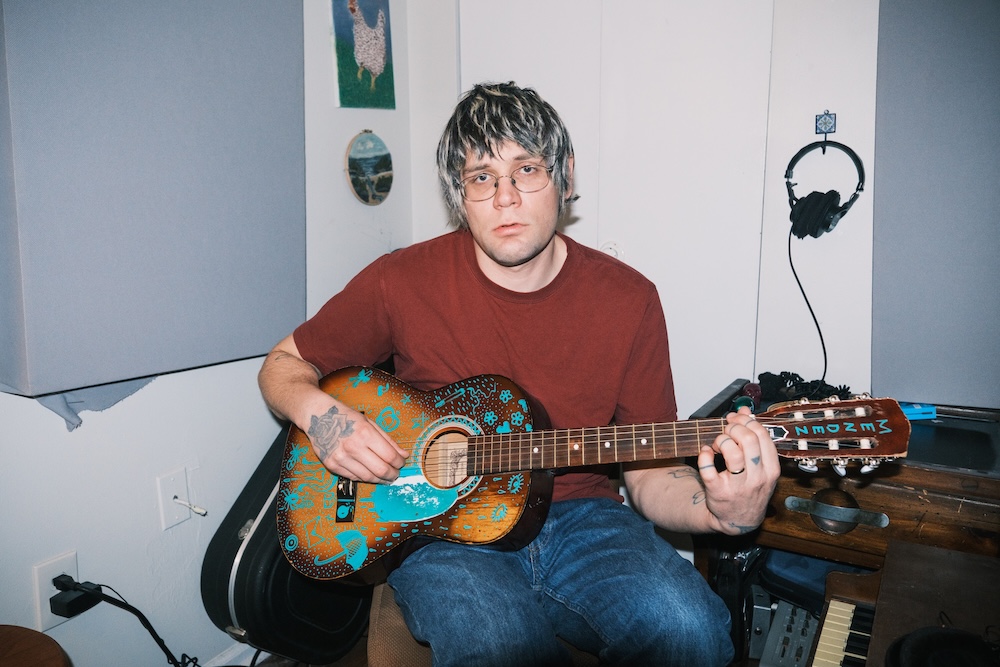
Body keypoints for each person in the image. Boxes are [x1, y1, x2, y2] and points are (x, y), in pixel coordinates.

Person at [258, 81, 780, 666]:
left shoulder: (628, 300)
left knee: (692, 631)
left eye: (526, 170)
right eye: (482, 177)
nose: (504, 198)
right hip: (439, 531)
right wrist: (324, 419)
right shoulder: (399, 280)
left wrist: (722, 512)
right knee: (500, 647)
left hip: (585, 520)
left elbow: (650, 475)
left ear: (566, 175)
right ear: (459, 194)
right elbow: (281, 367)